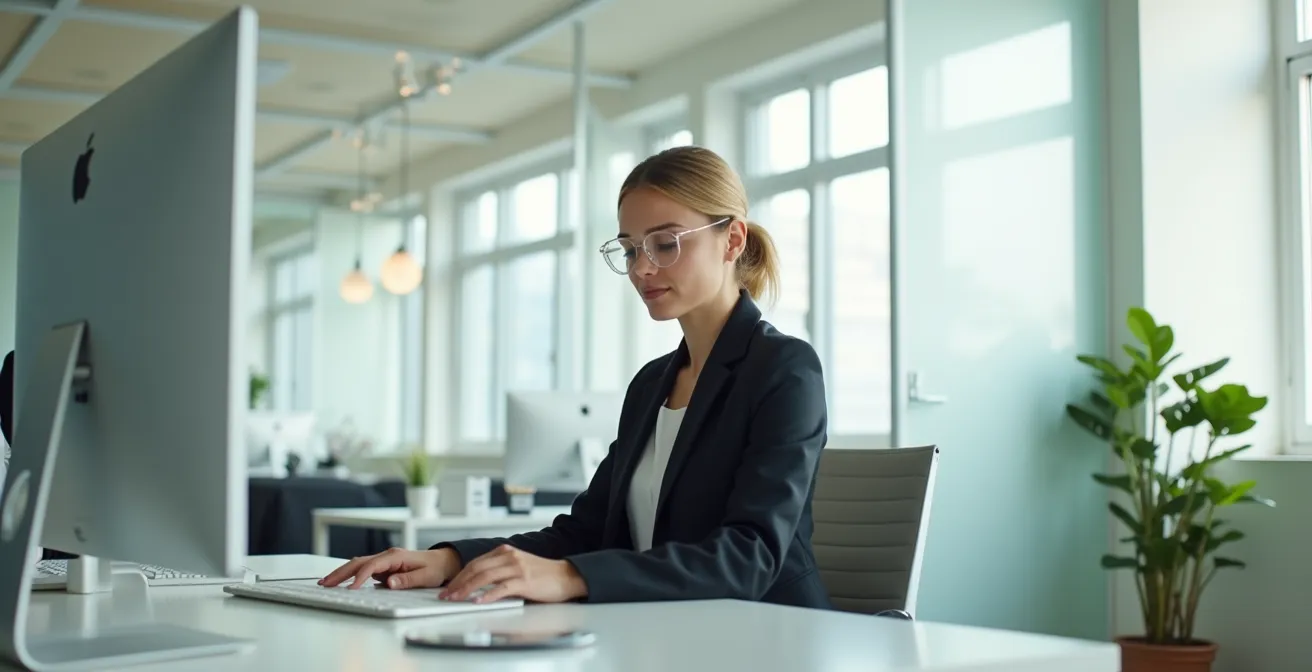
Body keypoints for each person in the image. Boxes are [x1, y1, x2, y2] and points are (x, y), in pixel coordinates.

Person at [321, 145, 831, 609]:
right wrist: (450, 560)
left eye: (665, 244)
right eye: (630, 249)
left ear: (732, 239)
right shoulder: (652, 384)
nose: (642, 268)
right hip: (667, 630)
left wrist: (570, 578)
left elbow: (749, 556)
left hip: (769, 635)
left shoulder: (784, 369)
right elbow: (585, 532)